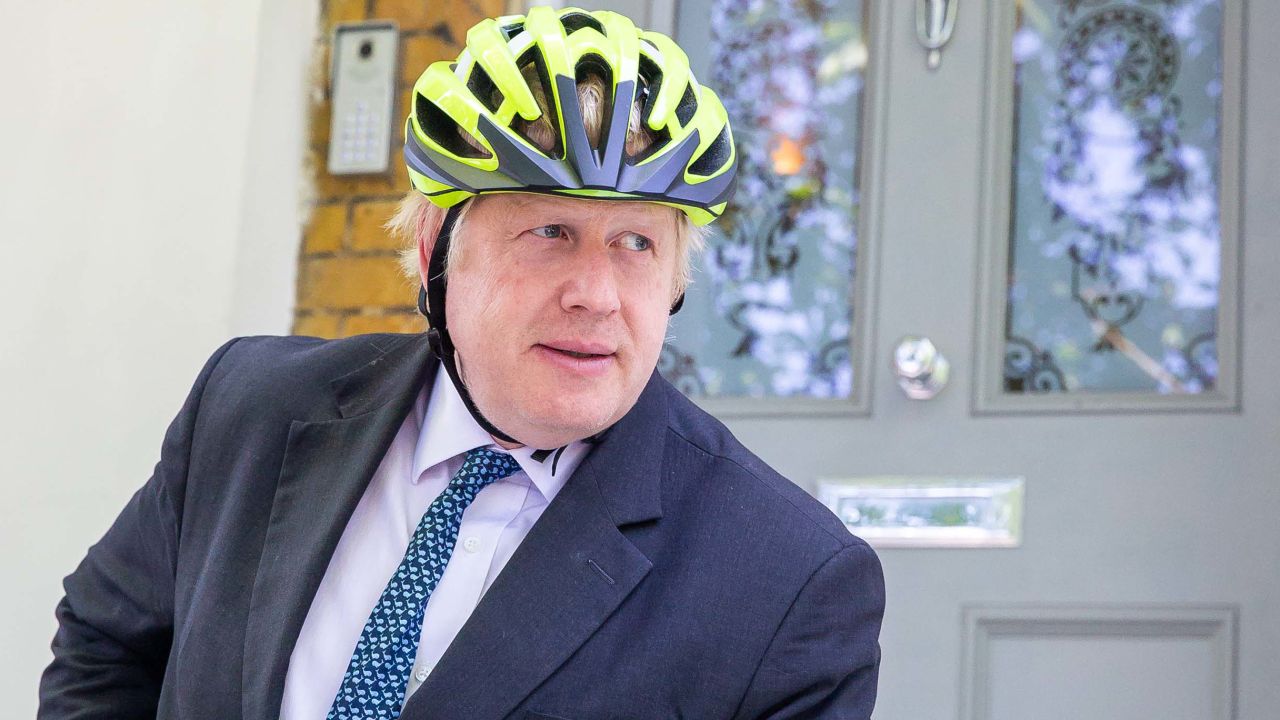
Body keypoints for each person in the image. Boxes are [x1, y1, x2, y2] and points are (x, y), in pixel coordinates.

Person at [39, 7, 884, 719]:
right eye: (550, 232)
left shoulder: (790, 583)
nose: (596, 293)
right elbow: (106, 646)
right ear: (438, 245)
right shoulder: (249, 410)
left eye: (635, 243)